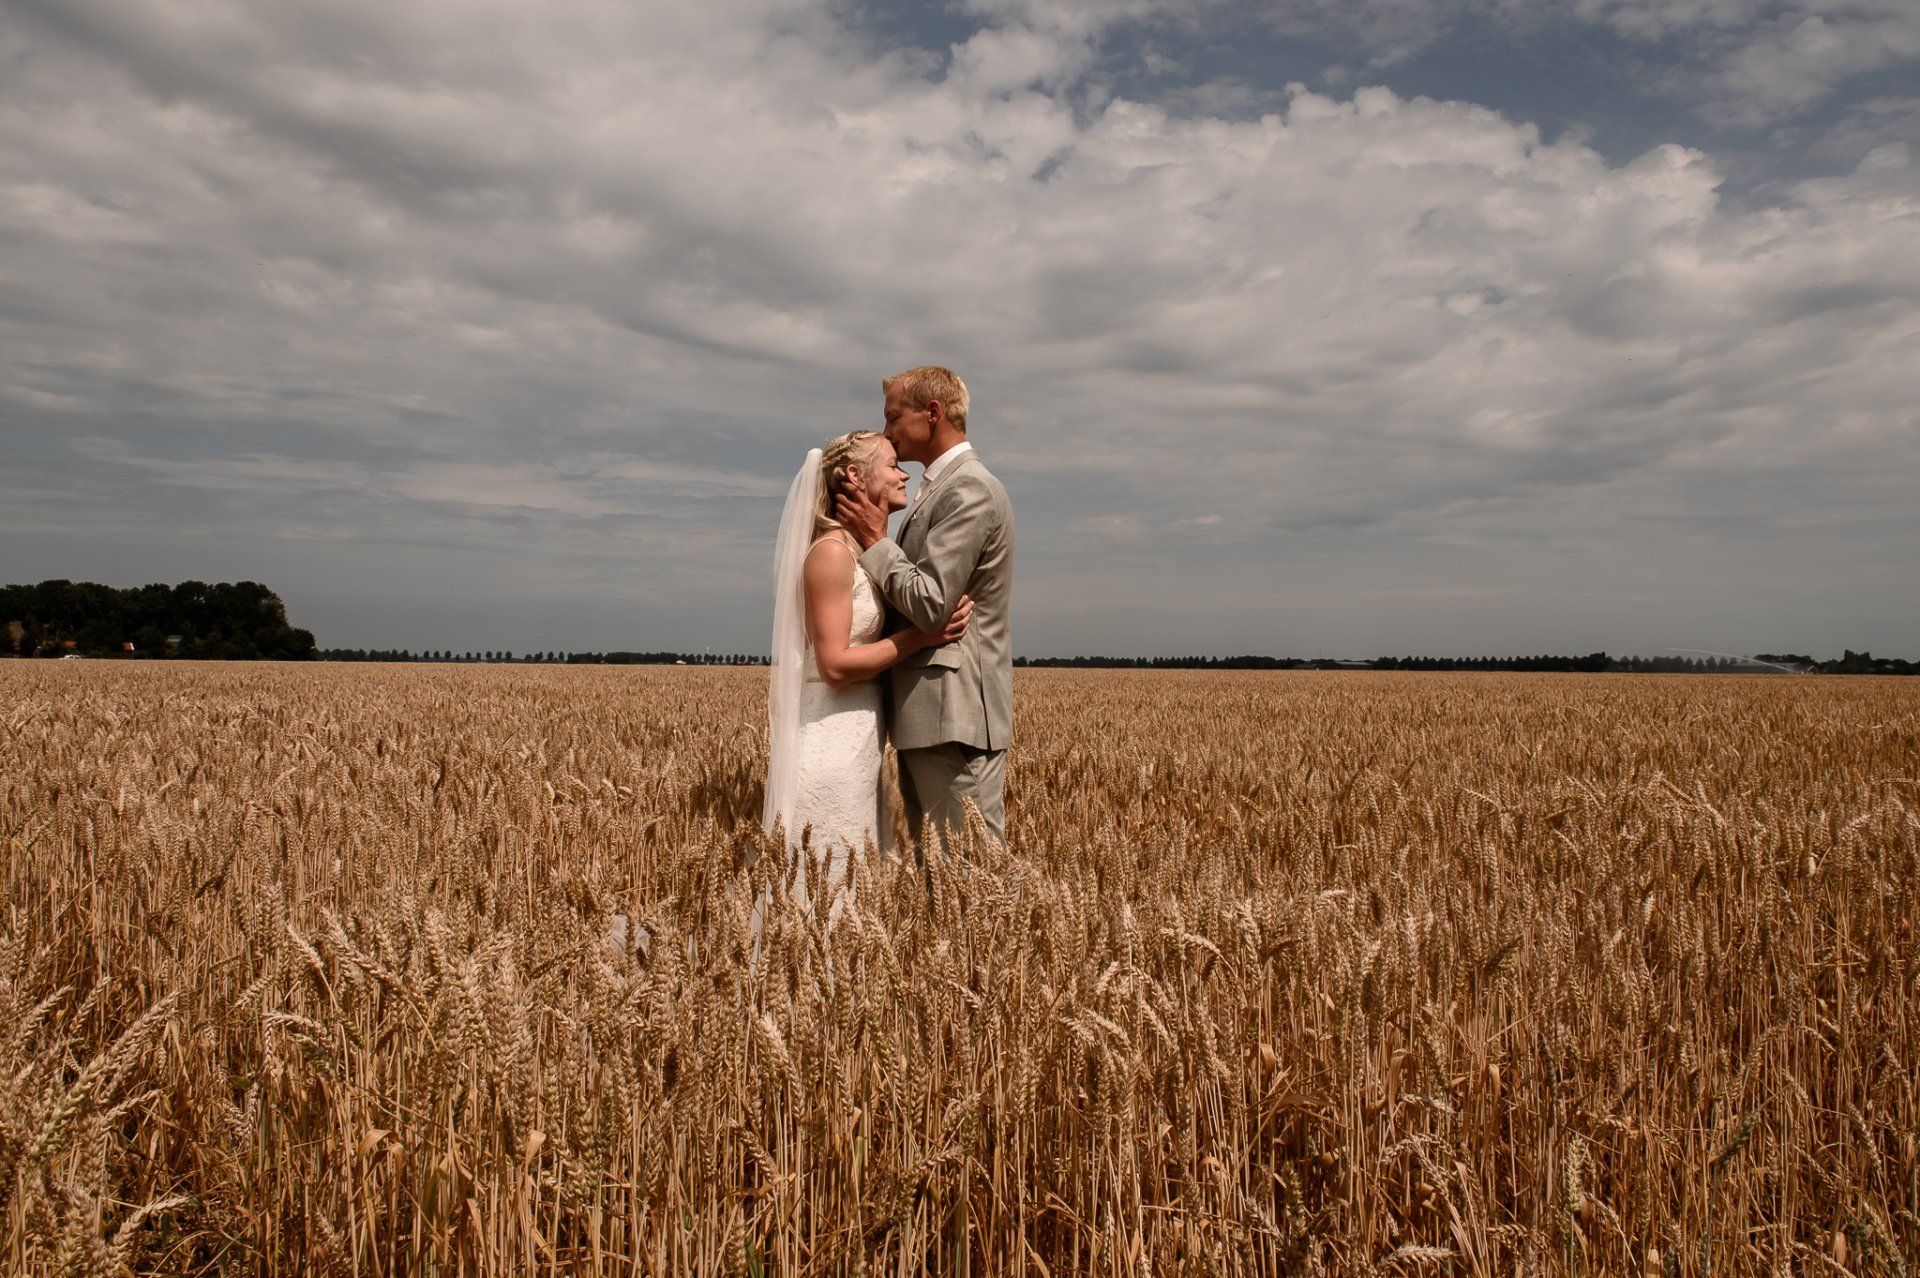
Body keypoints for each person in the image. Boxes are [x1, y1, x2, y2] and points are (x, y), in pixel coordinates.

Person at [763, 430, 972, 915]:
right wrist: (919, 638)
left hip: (859, 742)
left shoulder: (861, 551)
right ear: (856, 477)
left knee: (848, 891)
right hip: (829, 745)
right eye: (893, 464)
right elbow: (834, 665)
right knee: (824, 890)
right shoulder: (832, 553)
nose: (904, 474)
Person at [835, 365, 1014, 850]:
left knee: (970, 875)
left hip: (954, 718)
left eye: (894, 416)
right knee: (940, 877)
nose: (887, 430)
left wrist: (875, 540)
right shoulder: (939, 486)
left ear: (932, 413)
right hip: (931, 719)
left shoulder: (967, 487)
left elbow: (932, 604)